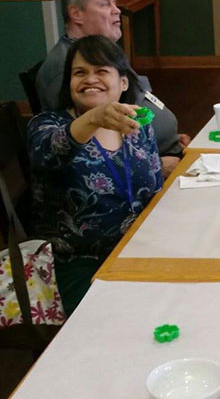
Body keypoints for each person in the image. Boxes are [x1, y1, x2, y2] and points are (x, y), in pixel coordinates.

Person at [28, 35, 163, 315]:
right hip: (77, 264)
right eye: (80, 73)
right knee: (134, 316)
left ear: (123, 82)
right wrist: (93, 118)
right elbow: (51, 152)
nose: (90, 79)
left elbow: (154, 190)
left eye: (101, 71)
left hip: (138, 250)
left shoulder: (138, 125)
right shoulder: (47, 125)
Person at [35, 0, 187, 176]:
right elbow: (79, 154)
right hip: (137, 171)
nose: (117, 10)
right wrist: (156, 164)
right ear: (76, 14)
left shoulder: (104, 53)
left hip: (164, 152)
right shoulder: (63, 68)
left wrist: (171, 138)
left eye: (115, 3)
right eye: (106, 5)